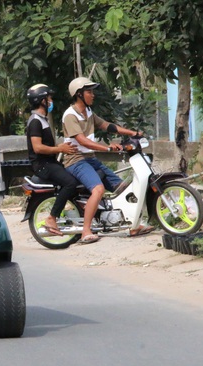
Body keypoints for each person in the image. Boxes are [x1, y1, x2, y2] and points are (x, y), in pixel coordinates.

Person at [62, 77, 154, 242]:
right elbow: (82, 141)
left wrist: (132, 133)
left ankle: (133, 226)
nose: (93, 95)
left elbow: (107, 126)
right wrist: (107, 148)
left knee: (123, 188)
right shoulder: (70, 115)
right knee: (98, 190)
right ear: (79, 94)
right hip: (76, 160)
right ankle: (86, 231)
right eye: (89, 92)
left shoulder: (88, 112)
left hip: (90, 158)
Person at [25, 83, 79, 237]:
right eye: (48, 98)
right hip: (43, 165)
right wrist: (59, 149)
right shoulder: (35, 121)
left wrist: (61, 147)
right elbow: (38, 148)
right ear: (42, 100)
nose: (50, 101)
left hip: (49, 162)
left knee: (75, 177)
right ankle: (51, 218)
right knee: (70, 183)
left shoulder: (42, 119)